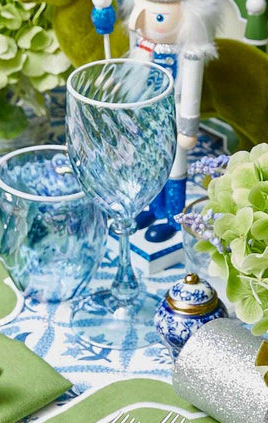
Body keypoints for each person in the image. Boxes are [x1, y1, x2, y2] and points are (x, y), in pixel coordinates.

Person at [92, 0, 221, 242]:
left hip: (173, 118)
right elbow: (133, 73)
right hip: (147, 117)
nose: (138, 22)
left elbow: (190, 92)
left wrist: (188, 127)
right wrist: (116, 79)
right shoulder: (143, 47)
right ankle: (154, 209)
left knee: (174, 167)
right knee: (151, 164)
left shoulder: (189, 55)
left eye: (158, 17)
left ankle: (173, 218)